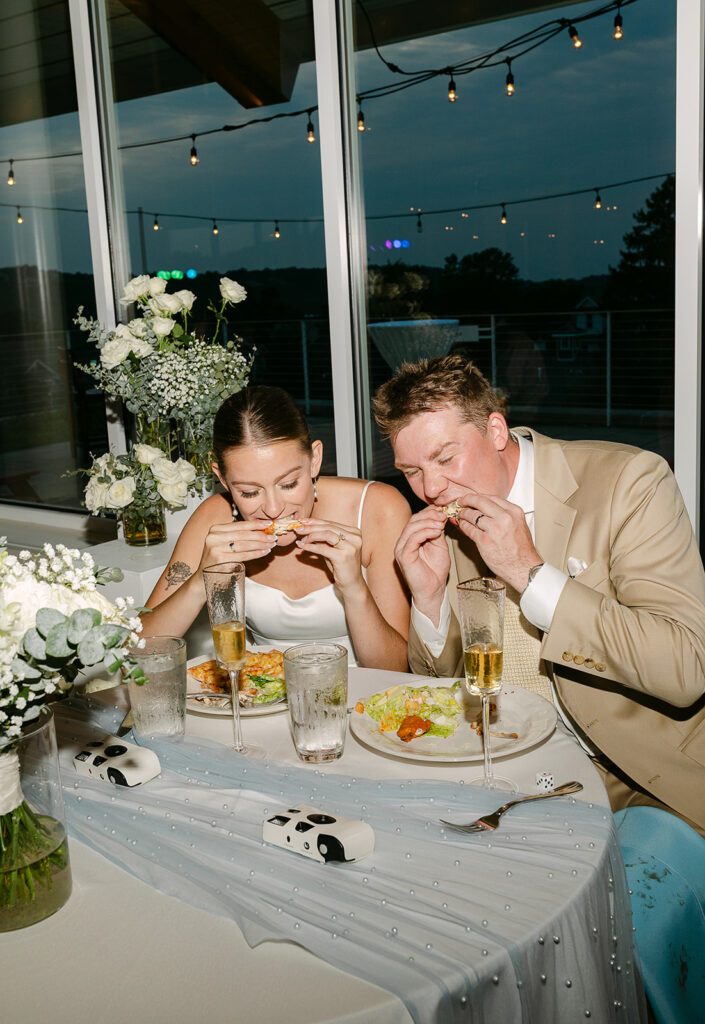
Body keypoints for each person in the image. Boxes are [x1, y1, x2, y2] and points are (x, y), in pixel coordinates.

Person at [372, 354, 705, 835]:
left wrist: (531, 574)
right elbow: (442, 694)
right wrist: (428, 603)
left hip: (640, 777)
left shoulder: (630, 481)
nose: (432, 487)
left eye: (445, 458)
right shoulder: (447, 518)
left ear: (496, 431)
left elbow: (687, 665)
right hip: (507, 774)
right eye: (411, 471)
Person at [142, 386, 411, 671]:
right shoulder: (214, 520)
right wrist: (200, 583)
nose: (273, 509)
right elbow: (136, 655)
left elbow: (393, 670)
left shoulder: (379, 509)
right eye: (249, 492)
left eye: (289, 484)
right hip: (262, 698)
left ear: (314, 460)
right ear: (222, 478)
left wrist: (355, 589)